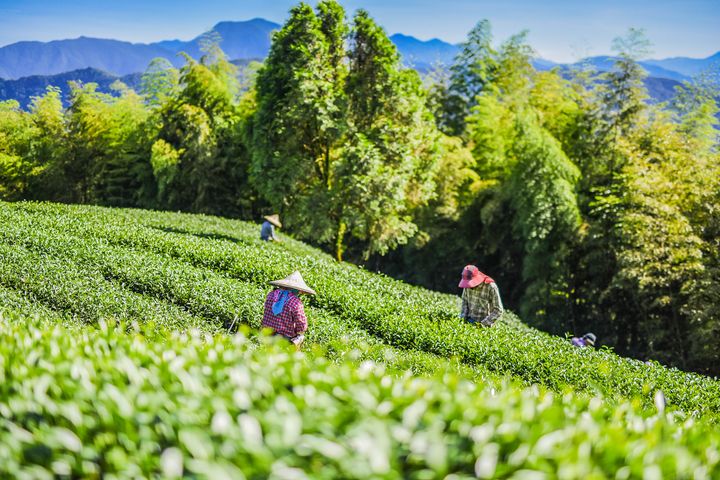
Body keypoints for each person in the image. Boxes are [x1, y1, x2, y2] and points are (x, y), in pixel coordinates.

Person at [261, 271, 316, 348]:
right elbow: (302, 324)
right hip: (285, 338)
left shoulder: (271, 295)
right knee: (300, 337)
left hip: (267, 332)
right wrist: (299, 332)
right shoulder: (295, 302)